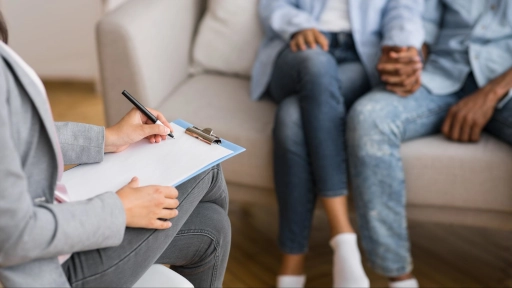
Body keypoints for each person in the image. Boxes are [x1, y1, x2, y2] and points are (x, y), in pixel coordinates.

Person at [0, 12, 230, 288]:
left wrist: (108, 138)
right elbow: (12, 236)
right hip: (46, 269)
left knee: (213, 228)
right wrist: (119, 210)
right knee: (206, 166)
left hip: (56, 230)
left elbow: (18, 136)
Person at [252, 1, 425, 287]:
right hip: (297, 49)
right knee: (316, 62)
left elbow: (404, 9)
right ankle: (342, 233)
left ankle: (292, 264)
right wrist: (300, 25)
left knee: (292, 116)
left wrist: (400, 45)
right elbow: (272, 4)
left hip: (359, 56)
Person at [347, 1, 512, 287]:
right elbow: (420, 19)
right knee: (369, 118)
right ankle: (399, 277)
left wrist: (491, 92)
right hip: (441, 75)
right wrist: (410, 56)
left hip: (505, 85)